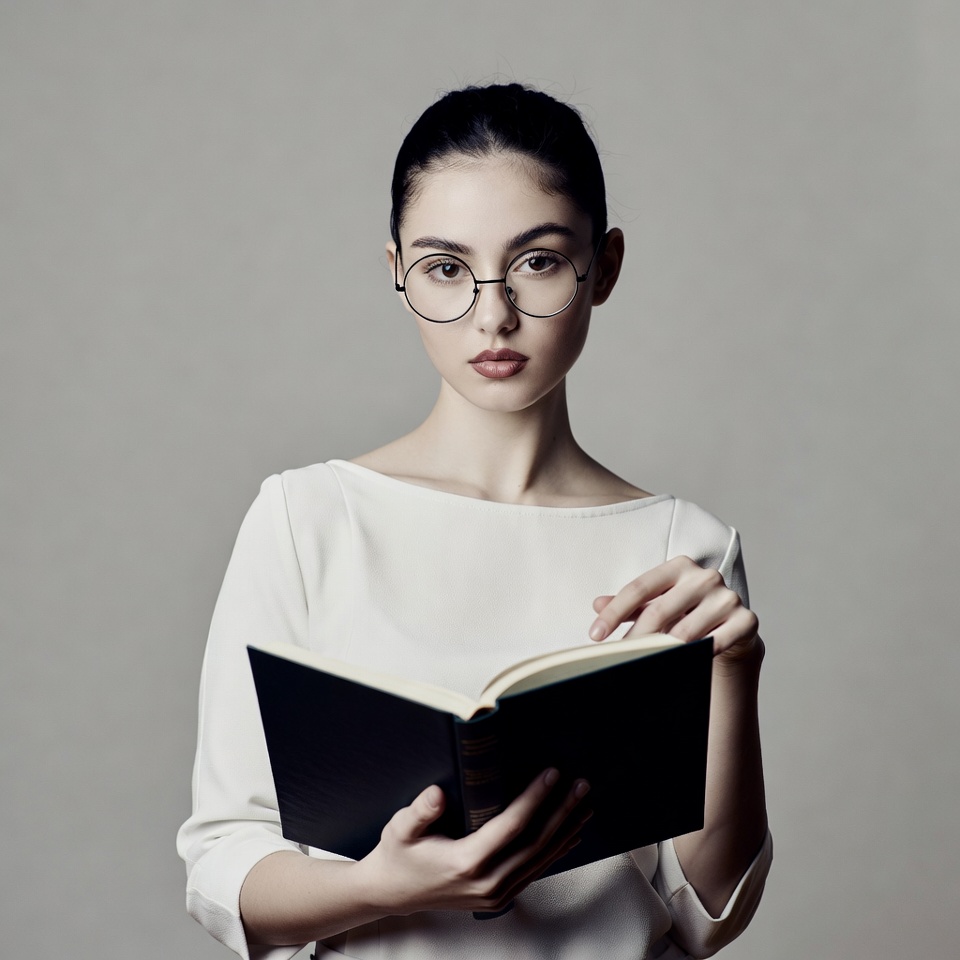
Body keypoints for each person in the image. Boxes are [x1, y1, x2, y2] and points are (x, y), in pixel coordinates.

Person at [177, 83, 772, 960]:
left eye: (536, 261)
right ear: (396, 270)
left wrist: (735, 679)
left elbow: (706, 911)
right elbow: (223, 860)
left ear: (602, 267)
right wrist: (378, 886)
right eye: (447, 268)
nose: (492, 316)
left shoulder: (684, 548)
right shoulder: (306, 521)